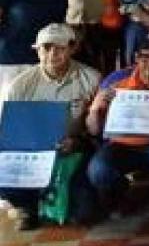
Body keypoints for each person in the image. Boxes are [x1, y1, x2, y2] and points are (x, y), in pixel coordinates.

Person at [0, 24, 100, 229]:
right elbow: (9, 131)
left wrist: (77, 142)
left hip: (77, 149)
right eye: (46, 47)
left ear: (72, 48)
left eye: (60, 47)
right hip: (33, 151)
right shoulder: (19, 86)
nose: (53, 54)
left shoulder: (92, 78)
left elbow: (99, 129)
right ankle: (25, 206)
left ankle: (60, 199)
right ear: (37, 50)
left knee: (83, 213)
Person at [85, 32, 149, 214]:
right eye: (145, 57)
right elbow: (93, 129)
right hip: (120, 146)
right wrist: (95, 109)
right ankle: (121, 194)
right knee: (99, 170)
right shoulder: (115, 80)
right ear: (136, 57)